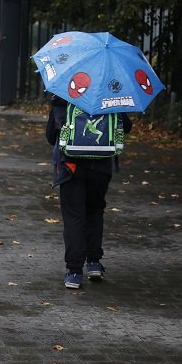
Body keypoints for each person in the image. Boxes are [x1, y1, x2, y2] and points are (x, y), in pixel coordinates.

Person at [45, 95, 131, 289]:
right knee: (94, 212)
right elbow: (126, 126)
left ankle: (74, 273)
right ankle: (93, 263)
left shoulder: (63, 98)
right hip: (101, 168)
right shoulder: (110, 98)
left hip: (71, 167)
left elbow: (51, 137)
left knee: (74, 216)